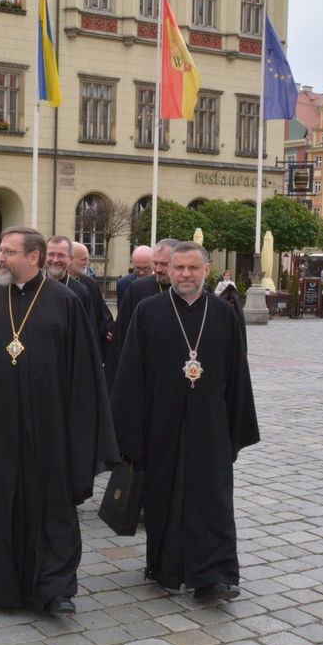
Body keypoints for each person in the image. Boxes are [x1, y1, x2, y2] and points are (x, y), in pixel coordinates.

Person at [0, 227, 119, 615]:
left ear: (33, 258)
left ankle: (56, 589)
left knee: (53, 507)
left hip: (51, 427)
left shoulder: (65, 302)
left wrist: (81, 431)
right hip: (0, 427)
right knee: (5, 505)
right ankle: (7, 587)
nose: (0, 259)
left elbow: (85, 371)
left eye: (8, 252)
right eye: (1, 251)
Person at [111, 242, 260, 601]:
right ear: (169, 270)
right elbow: (131, 374)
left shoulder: (224, 315)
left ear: (207, 271)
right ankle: (164, 567)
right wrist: (130, 435)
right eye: (179, 268)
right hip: (160, 424)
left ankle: (216, 576)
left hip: (210, 427)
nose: (185, 275)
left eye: (193, 268)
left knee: (213, 501)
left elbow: (238, 375)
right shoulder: (148, 311)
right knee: (163, 498)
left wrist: (234, 432)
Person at [105, 238, 178, 389]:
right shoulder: (137, 289)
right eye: (155, 263)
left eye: (164, 264)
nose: (157, 269)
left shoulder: (192, 290)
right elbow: (121, 336)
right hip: (144, 371)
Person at [45, 236, 101, 354]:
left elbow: (88, 335)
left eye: (61, 255)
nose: (55, 260)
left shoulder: (81, 291)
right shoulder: (34, 286)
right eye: (50, 254)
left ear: (70, 259)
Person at [70, 241, 113, 359]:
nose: (87, 263)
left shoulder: (90, 284)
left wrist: (108, 329)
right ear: (70, 259)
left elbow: (101, 313)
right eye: (84, 260)